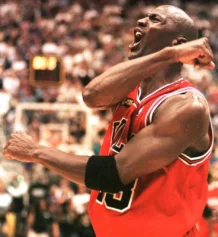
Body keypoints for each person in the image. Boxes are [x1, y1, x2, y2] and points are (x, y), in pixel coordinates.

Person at [3, 5, 215, 237]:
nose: (142, 21)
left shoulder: (186, 105)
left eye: (155, 19)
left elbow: (113, 174)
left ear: (179, 42)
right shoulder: (129, 89)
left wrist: (36, 151)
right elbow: (91, 96)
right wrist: (168, 55)